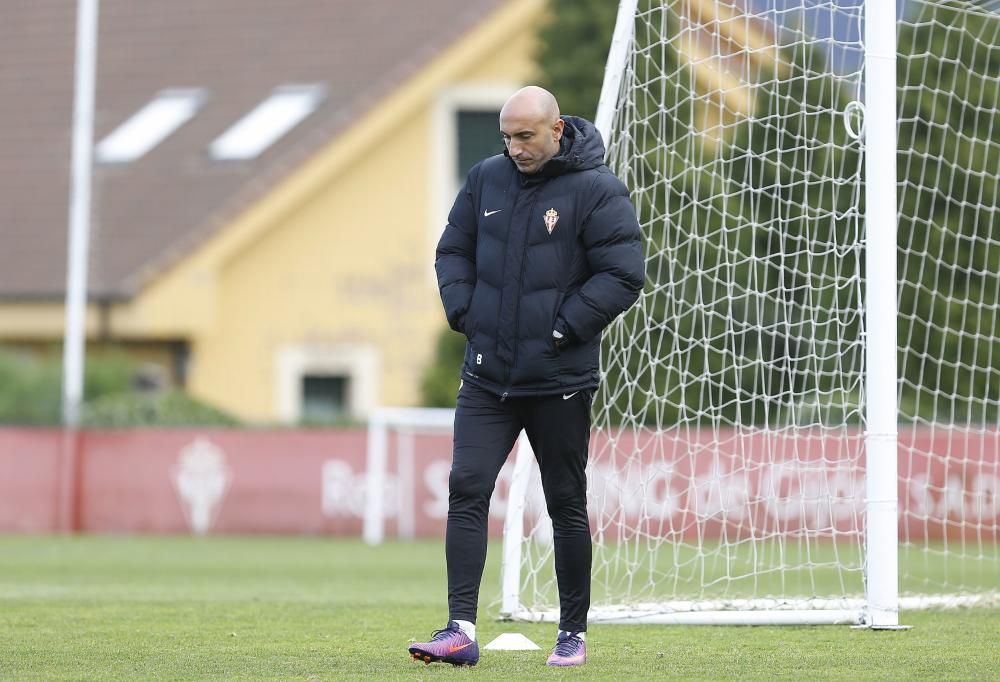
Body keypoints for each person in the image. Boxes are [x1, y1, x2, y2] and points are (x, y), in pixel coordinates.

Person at [408, 86, 644, 668]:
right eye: (507, 137)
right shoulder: (486, 178)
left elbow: (623, 273)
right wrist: (465, 312)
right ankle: (459, 628)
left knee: (565, 502)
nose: (513, 148)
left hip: (558, 378)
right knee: (467, 487)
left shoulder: (597, 190)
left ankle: (572, 631)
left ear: (557, 129)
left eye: (525, 136)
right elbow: (452, 251)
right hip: (488, 376)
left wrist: (560, 331)